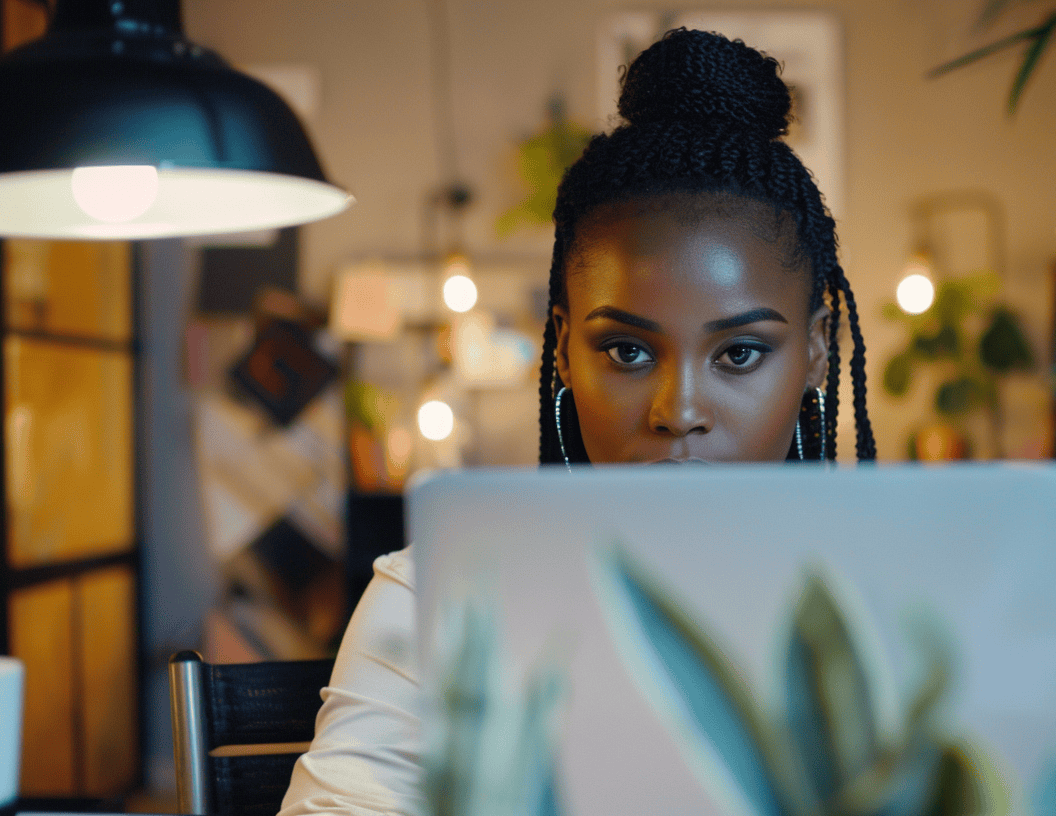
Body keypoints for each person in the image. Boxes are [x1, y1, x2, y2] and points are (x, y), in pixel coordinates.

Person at [277, 27, 874, 816]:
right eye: (627, 351)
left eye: (738, 355)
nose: (680, 412)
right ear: (564, 350)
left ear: (817, 353)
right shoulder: (443, 596)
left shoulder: (895, 599)